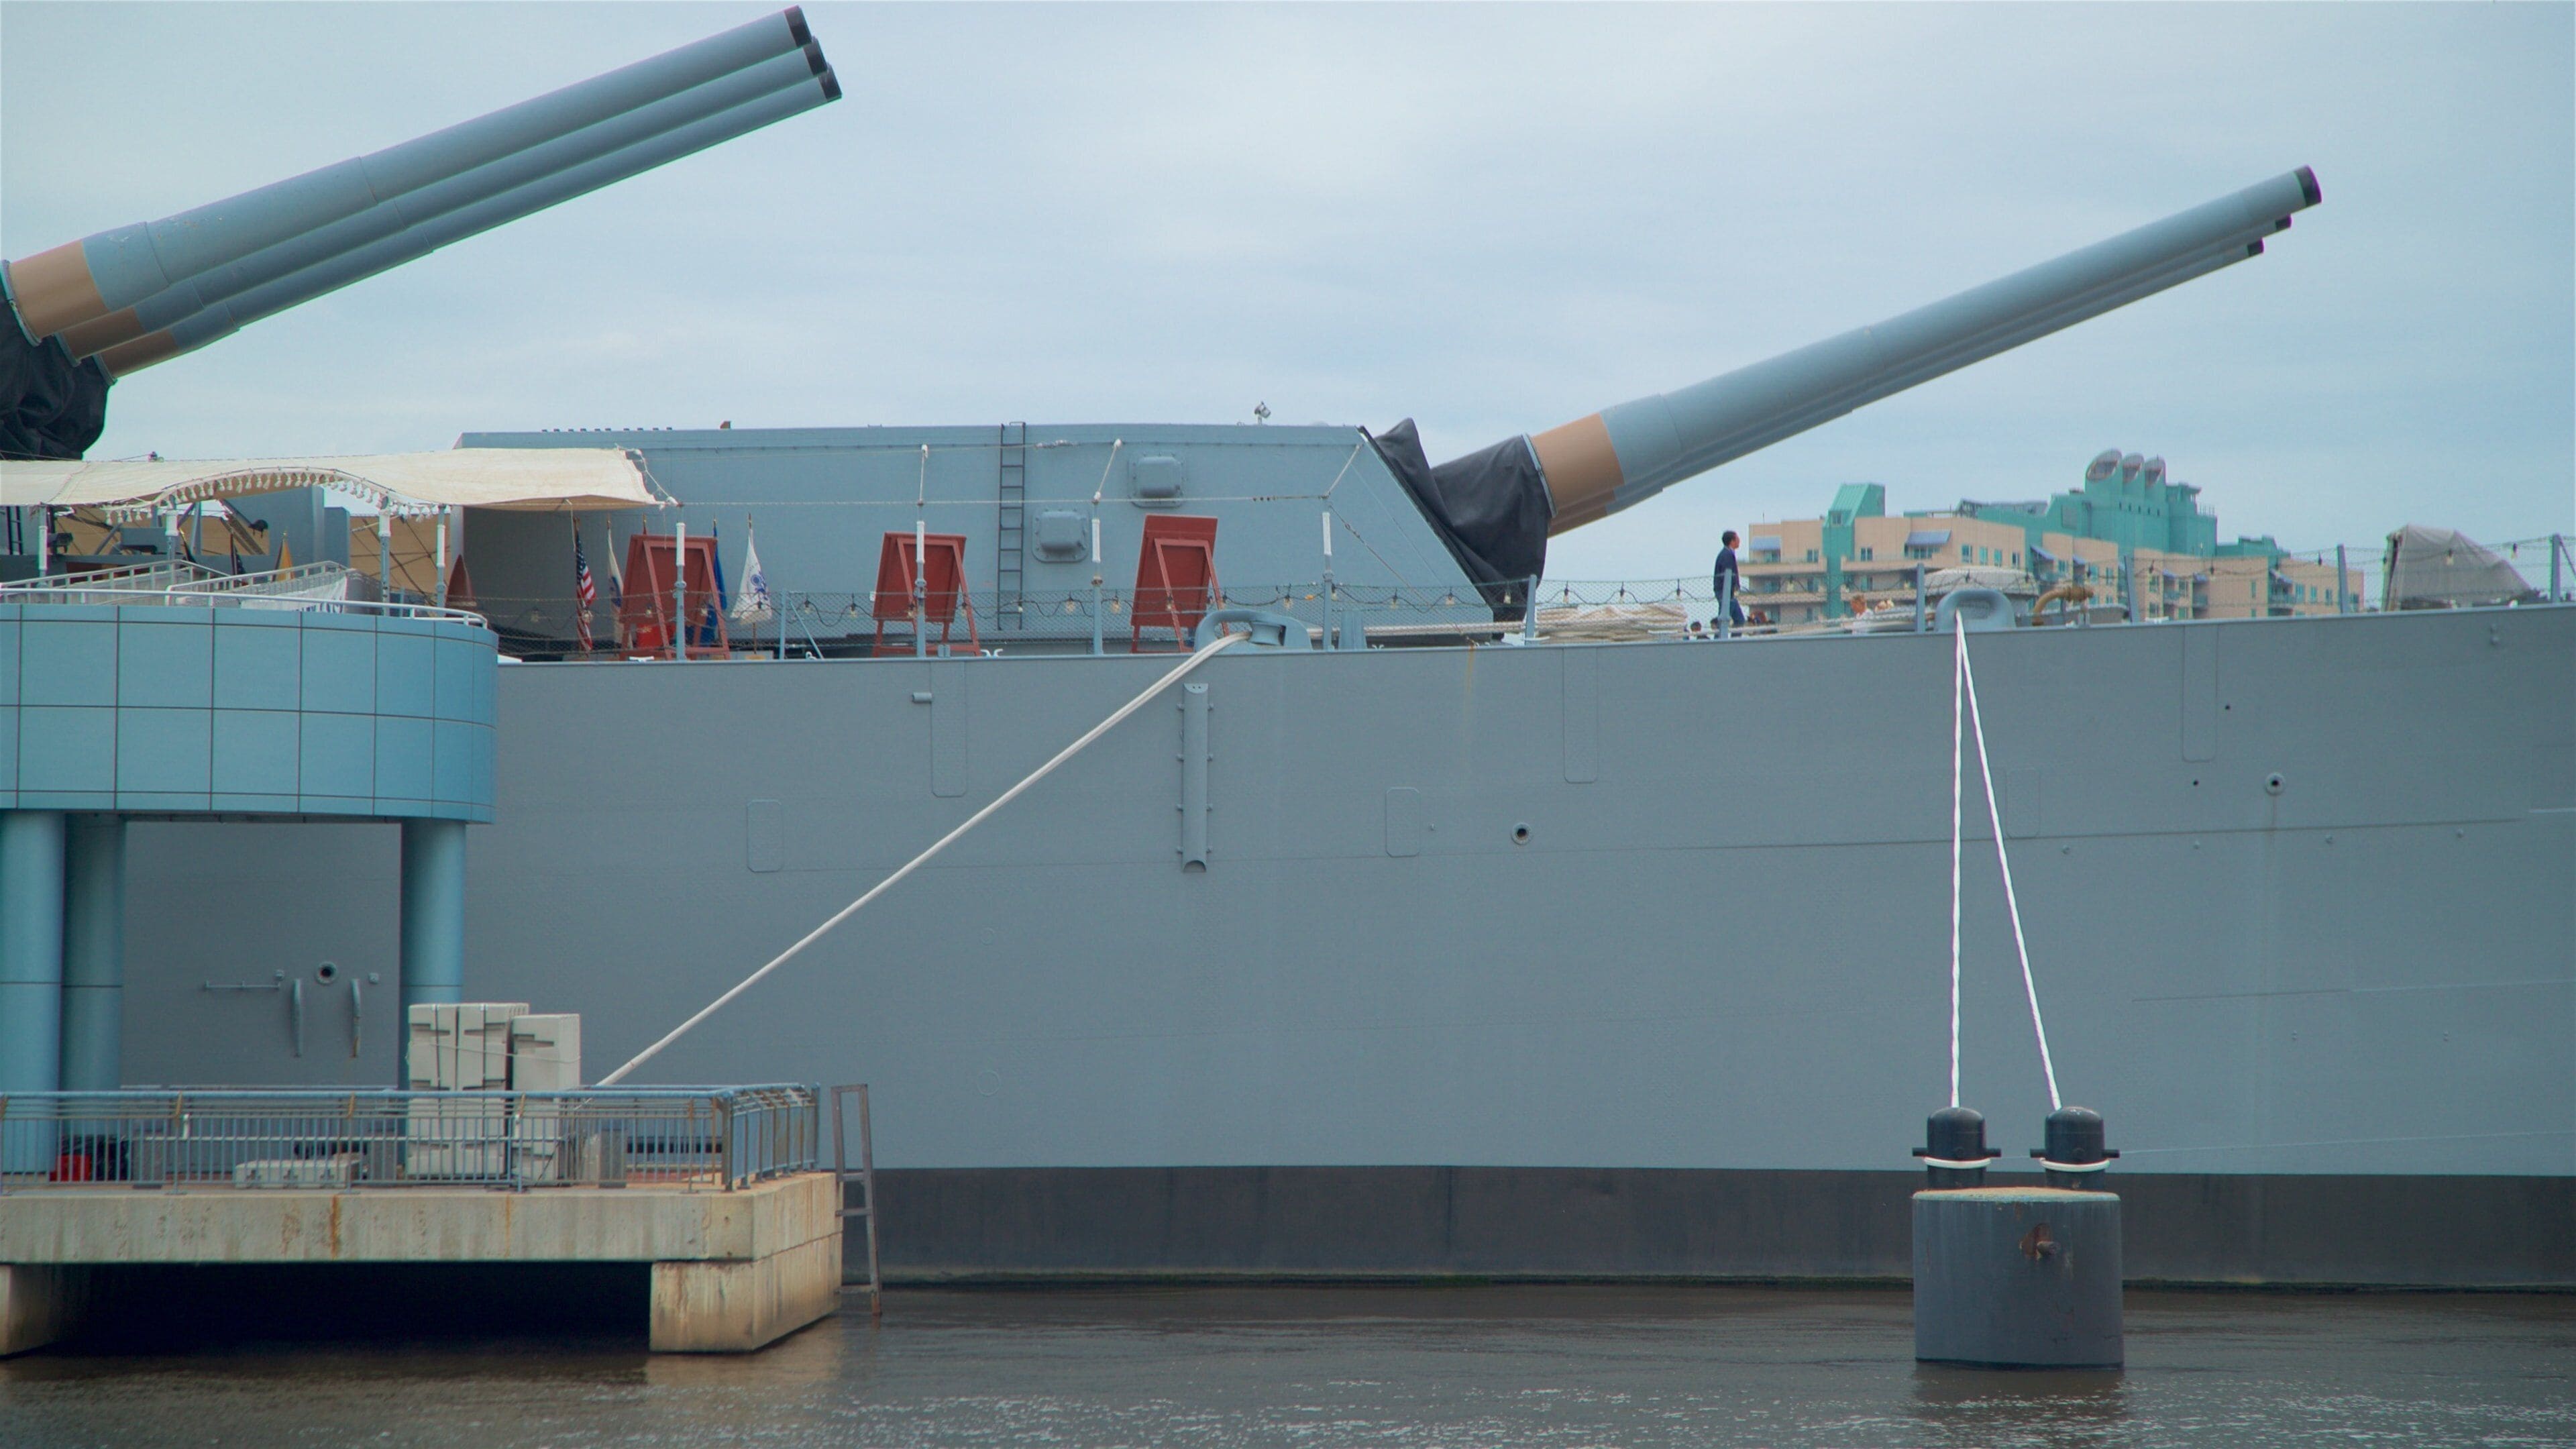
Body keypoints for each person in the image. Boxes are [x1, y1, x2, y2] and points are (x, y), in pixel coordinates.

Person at [1711, 530, 1746, 631]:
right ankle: (1720, 642)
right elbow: (1728, 575)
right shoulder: (1727, 555)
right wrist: (1731, 590)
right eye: (1737, 539)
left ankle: (1732, 641)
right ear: (1732, 541)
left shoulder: (1727, 554)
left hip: (1729, 594)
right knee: (1725, 621)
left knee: (1739, 620)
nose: (1739, 541)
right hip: (1726, 594)